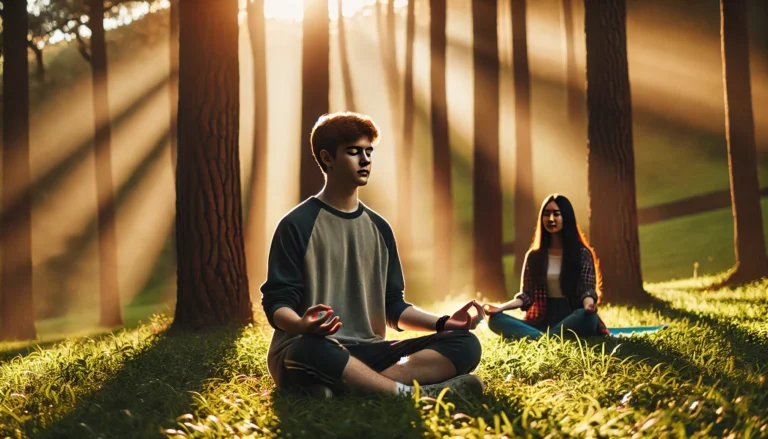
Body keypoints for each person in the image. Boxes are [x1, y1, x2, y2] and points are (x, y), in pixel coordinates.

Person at [261, 112, 485, 398]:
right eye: (354, 152)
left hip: (371, 351)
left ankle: (350, 387)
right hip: (312, 348)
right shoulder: (296, 224)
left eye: (369, 151)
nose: (365, 160)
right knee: (307, 349)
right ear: (327, 158)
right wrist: (301, 325)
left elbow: (393, 306)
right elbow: (278, 301)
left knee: (464, 343)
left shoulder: (379, 228)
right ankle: (409, 395)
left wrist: (444, 323)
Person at [483, 194, 610, 339]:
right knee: (495, 320)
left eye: (556, 214)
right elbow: (526, 296)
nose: (550, 219)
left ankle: (538, 338)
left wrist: (588, 305)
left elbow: (587, 290)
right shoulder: (534, 256)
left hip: (572, 319)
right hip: (541, 321)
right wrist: (500, 308)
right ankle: (547, 337)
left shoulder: (582, 253)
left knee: (588, 317)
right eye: (546, 214)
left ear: (566, 217)